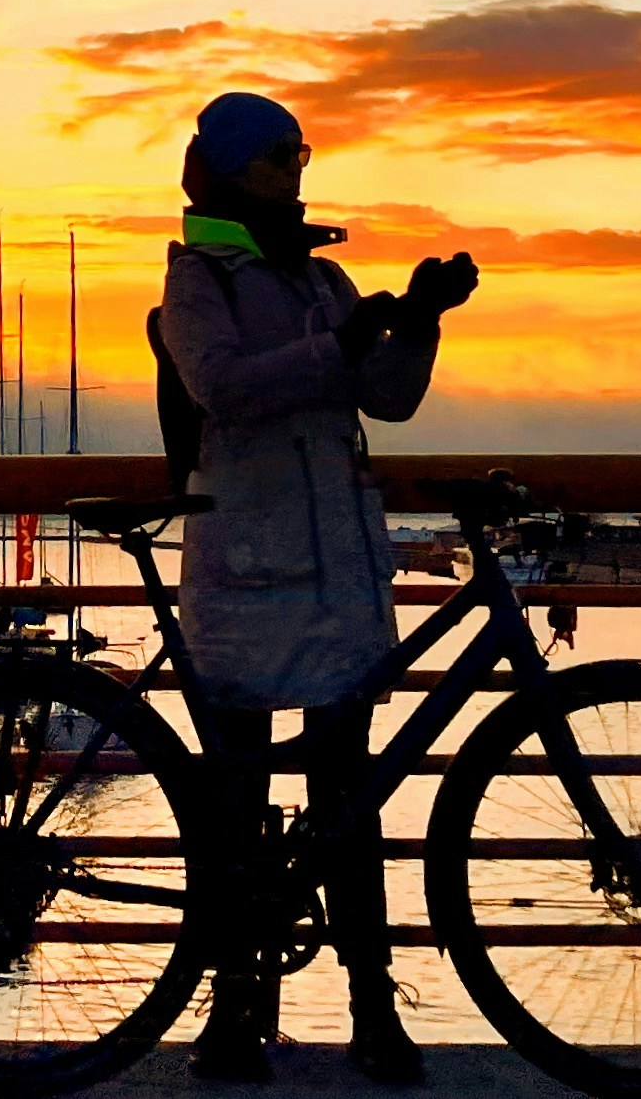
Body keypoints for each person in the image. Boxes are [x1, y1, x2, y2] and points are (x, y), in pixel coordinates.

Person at [159, 90, 478, 1084]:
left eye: (299, 153)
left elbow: (388, 397)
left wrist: (417, 321)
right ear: (230, 170)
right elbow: (225, 388)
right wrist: (336, 346)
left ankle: (372, 1009)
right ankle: (233, 1010)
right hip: (247, 566)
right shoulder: (197, 277)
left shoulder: (322, 275)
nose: (295, 171)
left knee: (349, 806)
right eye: (276, 158)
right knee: (239, 806)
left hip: (335, 572)